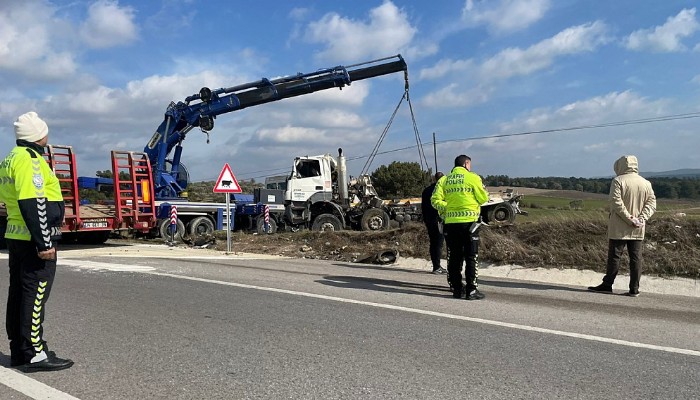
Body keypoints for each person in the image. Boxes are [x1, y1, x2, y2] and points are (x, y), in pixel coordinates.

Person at [0, 112, 74, 372]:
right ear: (37, 135)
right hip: (33, 241)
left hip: (17, 236)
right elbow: (34, 203)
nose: (47, 134)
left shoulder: (10, 158)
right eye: (45, 130)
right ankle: (34, 353)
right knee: (35, 294)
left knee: (19, 293)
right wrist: (44, 243)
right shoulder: (30, 160)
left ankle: (20, 350)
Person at [589, 155, 656, 297]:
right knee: (636, 258)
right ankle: (634, 288)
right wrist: (640, 218)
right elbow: (651, 204)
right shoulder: (646, 183)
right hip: (638, 227)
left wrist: (629, 218)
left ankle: (607, 284)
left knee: (614, 257)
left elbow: (616, 203)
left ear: (620, 165)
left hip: (619, 226)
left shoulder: (618, 181)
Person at [431, 155, 489, 300]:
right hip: (470, 224)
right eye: (470, 165)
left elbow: (434, 200)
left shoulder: (444, 180)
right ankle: (471, 290)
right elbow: (483, 198)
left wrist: (448, 208)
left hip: (451, 224)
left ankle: (457, 290)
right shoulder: (473, 178)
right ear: (466, 163)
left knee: (454, 258)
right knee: (471, 257)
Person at [421, 172, 446, 274]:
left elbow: (423, 207)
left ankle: (435, 265)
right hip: (438, 220)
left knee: (433, 243)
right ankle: (437, 266)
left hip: (428, 220)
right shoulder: (441, 190)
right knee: (438, 244)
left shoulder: (426, 190)